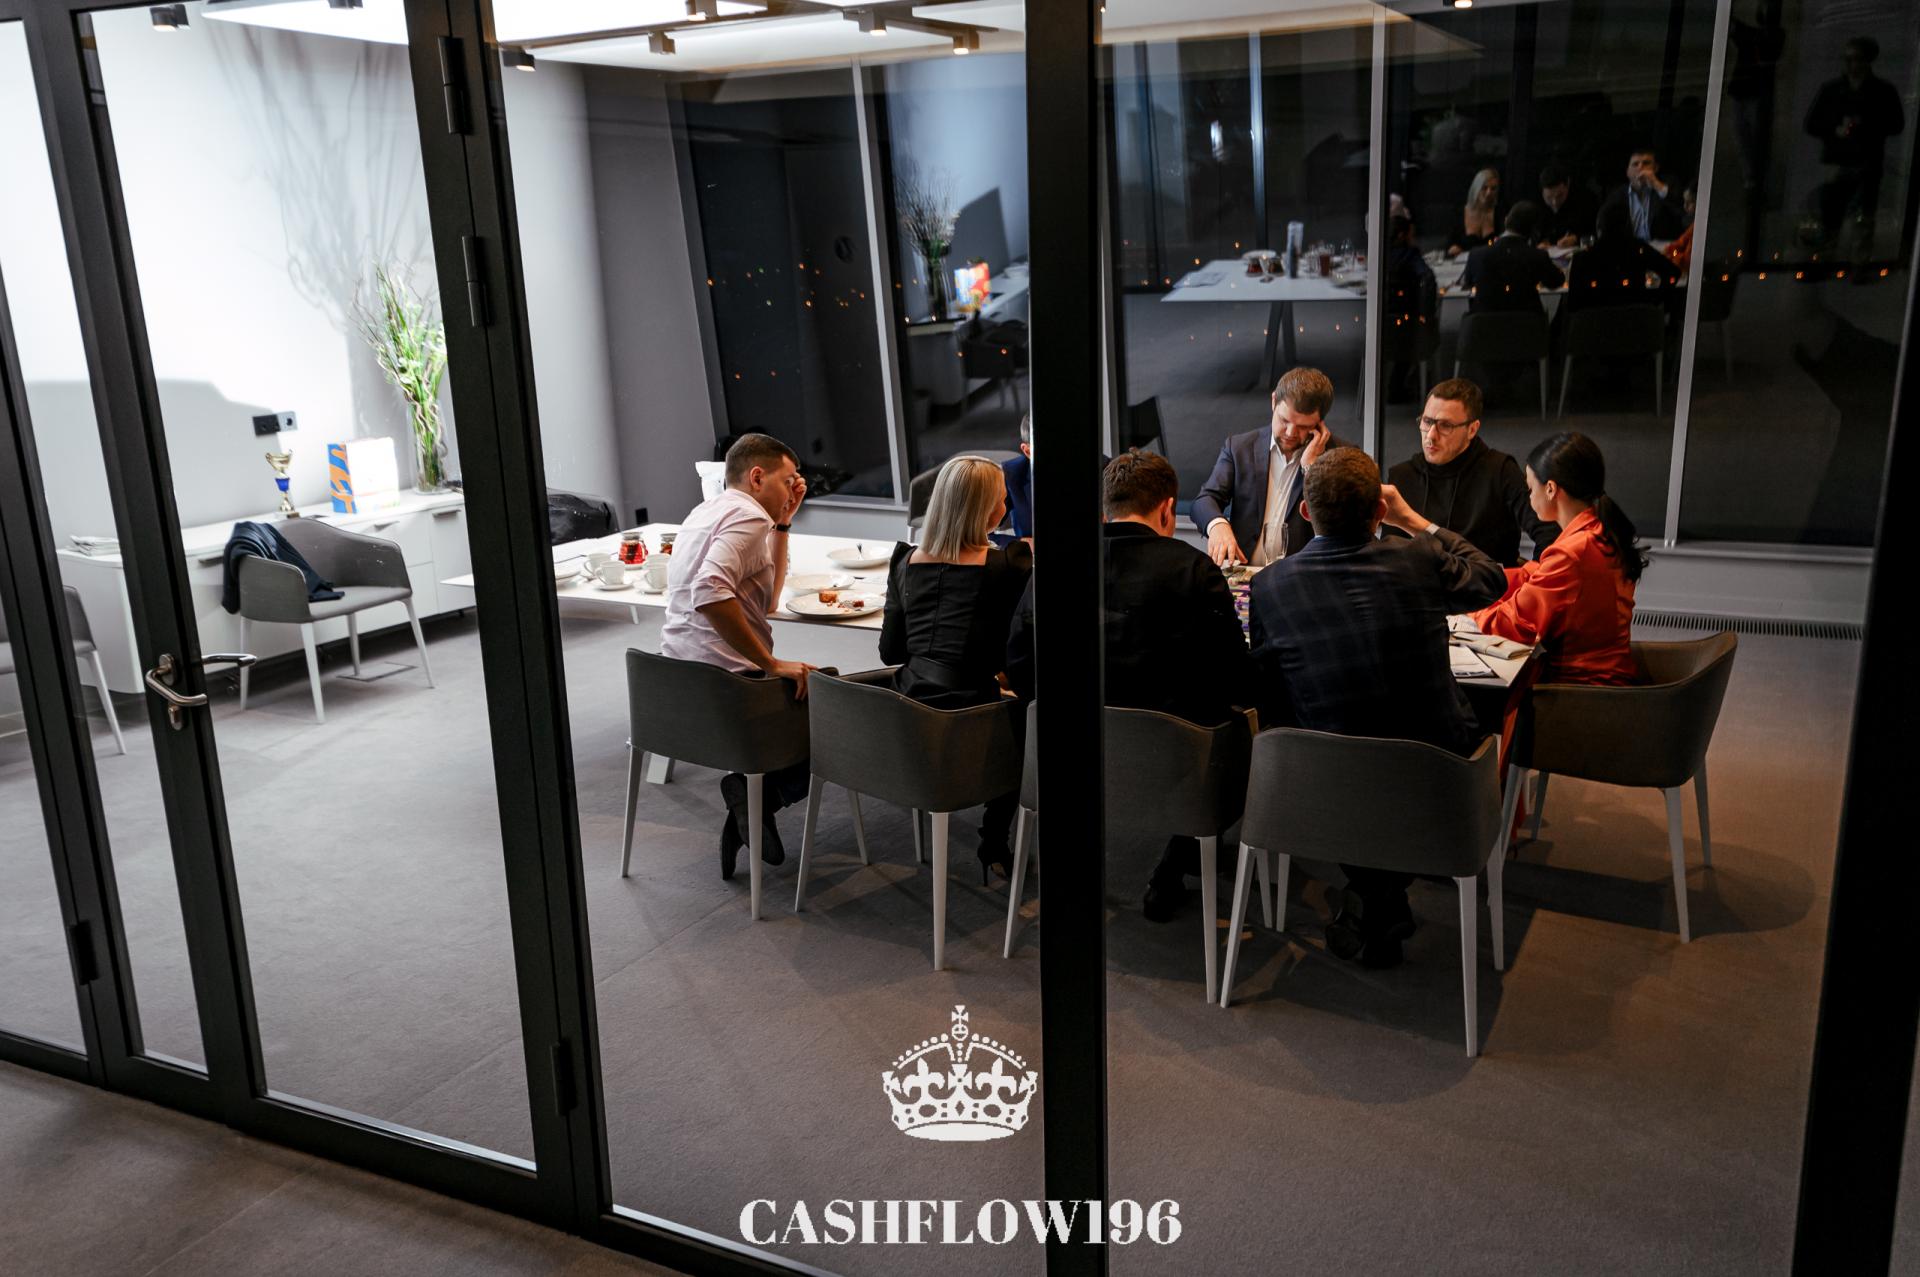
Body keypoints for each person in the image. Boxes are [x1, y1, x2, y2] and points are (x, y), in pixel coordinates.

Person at [1248, 448, 1506, 967]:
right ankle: (1380, 901)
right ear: (1381, 512)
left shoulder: (1269, 586)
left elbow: (1271, 693)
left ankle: (1370, 899)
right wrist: (1417, 522)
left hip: (1327, 780)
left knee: (1346, 753)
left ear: (1305, 512)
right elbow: (1491, 577)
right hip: (1438, 776)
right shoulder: (1418, 558)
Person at [1096, 450, 1258, 922]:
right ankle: (1178, 859)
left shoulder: (1057, 563)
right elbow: (1235, 674)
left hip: (1076, 753)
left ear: (1106, 508)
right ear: (1168, 509)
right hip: (1176, 759)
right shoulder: (1193, 570)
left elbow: (1021, 657)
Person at [660, 432, 815, 881]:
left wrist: (783, 523)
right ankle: (760, 797)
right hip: (728, 686)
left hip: (673, 682)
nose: (794, 489)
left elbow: (769, 600)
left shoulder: (705, 511)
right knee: (844, 716)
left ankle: (749, 802)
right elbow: (710, 592)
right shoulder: (747, 516)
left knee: (819, 692)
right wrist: (771, 664)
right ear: (757, 477)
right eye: (788, 481)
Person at [880, 456, 1032, 881]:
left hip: (906, 714)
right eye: (1001, 498)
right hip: (970, 717)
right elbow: (1017, 649)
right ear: (987, 510)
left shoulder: (904, 561)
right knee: (1028, 718)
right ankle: (994, 840)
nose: (1006, 505)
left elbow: (890, 652)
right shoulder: (1008, 565)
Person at [1470, 433, 1646, 685]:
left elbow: (1515, 624)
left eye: (1530, 489)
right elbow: (1538, 574)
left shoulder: (1573, 552)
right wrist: (1483, 579)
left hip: (1582, 688)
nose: (1529, 497)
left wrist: (1466, 615)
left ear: (1551, 489)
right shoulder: (1598, 530)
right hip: (1610, 677)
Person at [1387, 378, 1559, 567]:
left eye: (1445, 426)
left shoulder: (1500, 471)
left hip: (1489, 583)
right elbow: (1389, 556)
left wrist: (1531, 578)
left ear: (1472, 429)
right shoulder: (1403, 476)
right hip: (1421, 583)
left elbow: (1548, 533)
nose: (1431, 435)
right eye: (1427, 422)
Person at [1192, 367, 1351, 568]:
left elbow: (1341, 524)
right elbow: (1204, 500)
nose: (1290, 433)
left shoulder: (1340, 456)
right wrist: (1217, 525)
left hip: (1302, 577)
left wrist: (1312, 468)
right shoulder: (1240, 448)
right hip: (1246, 574)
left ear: (1320, 423)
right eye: (1284, 420)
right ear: (1274, 401)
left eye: (1303, 427)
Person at [1804, 36, 1906, 259]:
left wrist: (1863, 126)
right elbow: (1811, 124)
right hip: (1841, 160)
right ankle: (1830, 258)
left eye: (1856, 59)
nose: (1851, 64)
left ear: (1867, 61)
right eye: (1848, 59)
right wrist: (1836, 129)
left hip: (1865, 161)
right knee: (1832, 214)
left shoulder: (1881, 90)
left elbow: (1896, 124)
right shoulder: (1833, 89)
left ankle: (1855, 261)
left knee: (1862, 216)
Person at [1564, 199, 1681, 316]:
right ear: (1628, 225)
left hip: (1595, 324)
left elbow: (1573, 306)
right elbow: (1672, 273)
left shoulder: (1582, 259)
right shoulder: (1638, 250)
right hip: (1635, 322)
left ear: (1599, 226)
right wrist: (1651, 303)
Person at [1462, 202, 1565, 315]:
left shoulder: (1476, 254)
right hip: (1527, 322)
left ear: (1506, 221)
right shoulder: (1537, 256)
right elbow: (1557, 281)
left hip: (1483, 323)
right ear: (1534, 231)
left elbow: (1468, 283)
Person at [1600, 149, 1687, 242]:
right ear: (1628, 172)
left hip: (1663, 247)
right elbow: (1602, 221)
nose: (1640, 167)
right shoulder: (1617, 194)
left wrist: (1656, 185)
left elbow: (1682, 212)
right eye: (1635, 164)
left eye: (1646, 163)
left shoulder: (1668, 185)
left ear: (1656, 168)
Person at [1445, 167, 1503, 258]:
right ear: (1476, 189)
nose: (1489, 193)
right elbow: (1449, 246)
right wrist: (1452, 249)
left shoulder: (1500, 212)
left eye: (1493, 189)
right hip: (1464, 262)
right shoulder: (1459, 213)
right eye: (1484, 188)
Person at [1536, 165, 1596, 247]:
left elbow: (1596, 232)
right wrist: (1540, 242)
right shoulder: (1536, 205)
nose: (1554, 202)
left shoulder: (1586, 200)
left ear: (1568, 184)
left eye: (1560, 196)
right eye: (1549, 198)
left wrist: (1576, 238)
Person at [1001, 413, 1035, 540]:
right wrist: (1020, 543)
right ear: (1027, 451)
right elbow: (980, 533)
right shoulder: (1011, 473)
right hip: (1029, 551)